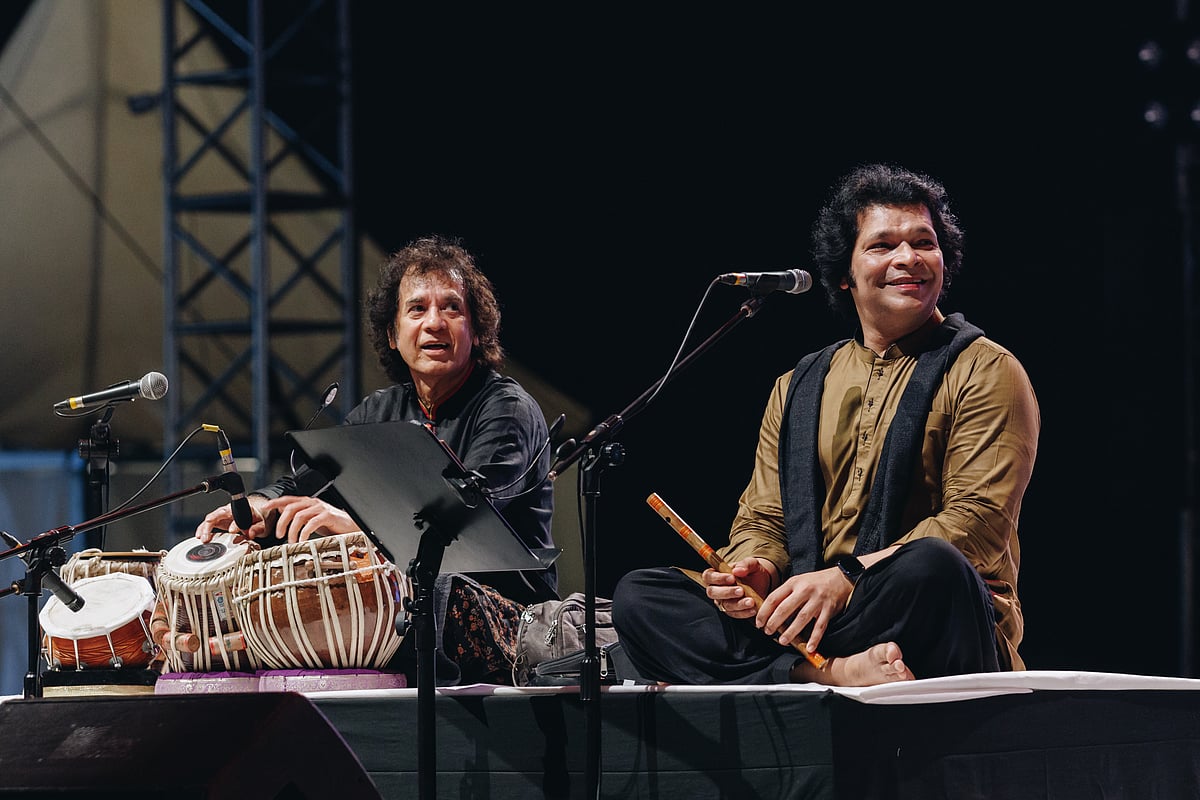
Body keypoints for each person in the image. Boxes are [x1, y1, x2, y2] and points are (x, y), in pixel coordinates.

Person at [612, 163, 1040, 687]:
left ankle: (797, 669)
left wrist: (847, 579)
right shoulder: (797, 385)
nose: (908, 258)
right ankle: (829, 673)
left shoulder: (987, 369)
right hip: (812, 618)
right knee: (641, 597)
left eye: (923, 243)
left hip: (915, 610)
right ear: (845, 272)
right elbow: (764, 518)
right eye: (883, 246)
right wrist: (755, 570)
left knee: (936, 565)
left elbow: (976, 527)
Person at [195, 234, 558, 683]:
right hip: (408, 604)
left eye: (452, 308)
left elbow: (465, 517)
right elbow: (307, 482)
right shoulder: (380, 412)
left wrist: (359, 531)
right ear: (393, 333)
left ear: (477, 330)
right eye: (417, 309)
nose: (434, 323)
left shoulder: (506, 409)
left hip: (505, 619)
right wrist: (262, 505)